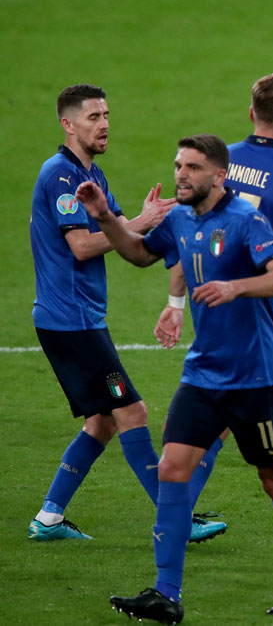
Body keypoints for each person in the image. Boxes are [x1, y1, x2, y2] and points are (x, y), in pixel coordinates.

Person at [89, 134, 273, 621]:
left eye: (192, 167)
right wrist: (107, 217)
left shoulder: (245, 221)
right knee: (172, 468)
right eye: (178, 165)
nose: (181, 175)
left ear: (219, 175)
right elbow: (140, 254)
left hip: (258, 380)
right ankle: (166, 594)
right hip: (203, 376)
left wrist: (237, 286)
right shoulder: (178, 218)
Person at [156, 73, 273, 565]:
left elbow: (186, 234)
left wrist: (175, 303)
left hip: (220, 319)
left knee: (214, 425)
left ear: (250, 114)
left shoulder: (219, 164)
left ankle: (176, 523)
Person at [28, 84, 224, 545]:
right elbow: (82, 245)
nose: (104, 124)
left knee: (101, 421)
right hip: (70, 320)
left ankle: (49, 517)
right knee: (131, 410)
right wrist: (141, 220)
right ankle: (176, 517)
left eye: (106, 115)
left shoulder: (91, 174)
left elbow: (130, 247)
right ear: (68, 124)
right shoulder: (62, 175)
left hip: (80, 318)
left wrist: (163, 235)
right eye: (93, 116)